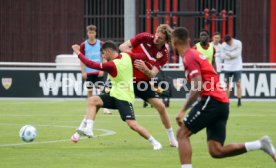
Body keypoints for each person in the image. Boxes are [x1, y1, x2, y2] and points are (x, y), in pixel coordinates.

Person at [171, 27, 276, 168]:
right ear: (189, 40)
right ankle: (260, 144)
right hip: (221, 103)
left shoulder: (189, 56)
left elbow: (198, 84)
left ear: (174, 42)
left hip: (211, 99)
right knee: (216, 150)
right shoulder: (195, 54)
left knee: (182, 134)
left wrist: (183, 109)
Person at [70, 41, 162, 150]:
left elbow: (91, 64)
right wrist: (156, 56)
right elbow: (142, 56)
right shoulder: (127, 55)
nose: (103, 56)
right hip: (114, 95)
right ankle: (87, 129)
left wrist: (78, 52)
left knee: (133, 125)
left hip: (124, 99)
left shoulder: (112, 65)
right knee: (93, 101)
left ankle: (155, 142)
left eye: (103, 54)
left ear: (109, 51)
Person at [119, 24, 178, 147]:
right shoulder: (144, 37)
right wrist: (135, 57)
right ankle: (86, 126)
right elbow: (122, 47)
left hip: (142, 83)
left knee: (161, 107)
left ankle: (172, 139)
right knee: (99, 101)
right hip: (126, 79)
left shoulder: (164, 54)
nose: (156, 38)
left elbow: (152, 74)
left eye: (160, 38)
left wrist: (145, 69)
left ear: (166, 40)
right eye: (157, 35)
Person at [80, 24, 111, 114]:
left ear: (95, 33)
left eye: (93, 32)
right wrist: (83, 71)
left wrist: (102, 69)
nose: (91, 34)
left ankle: (106, 107)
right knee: (89, 90)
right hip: (88, 71)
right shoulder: (83, 45)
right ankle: (90, 108)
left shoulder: (100, 44)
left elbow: (104, 57)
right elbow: (82, 59)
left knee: (102, 89)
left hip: (98, 70)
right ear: (87, 33)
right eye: (90, 33)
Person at [222, 35, 243, 107]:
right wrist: (231, 56)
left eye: (229, 42)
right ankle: (226, 101)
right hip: (227, 67)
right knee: (227, 85)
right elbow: (222, 56)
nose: (228, 44)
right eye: (227, 43)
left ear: (231, 39)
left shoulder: (238, 43)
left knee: (238, 84)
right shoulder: (223, 46)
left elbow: (238, 53)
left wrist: (229, 55)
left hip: (237, 67)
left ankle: (239, 101)